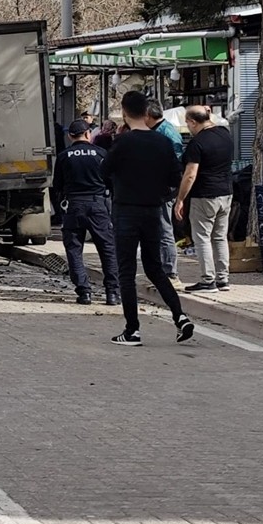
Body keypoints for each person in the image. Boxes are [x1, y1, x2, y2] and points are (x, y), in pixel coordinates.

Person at [102, 90, 194, 346]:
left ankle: (132, 330)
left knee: (127, 271)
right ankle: (180, 316)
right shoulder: (163, 142)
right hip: (154, 210)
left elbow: (103, 172)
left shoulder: (123, 142)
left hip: (126, 211)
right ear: (146, 111)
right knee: (155, 268)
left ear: (124, 111)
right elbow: (175, 178)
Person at [53, 119, 120, 305]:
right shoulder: (101, 154)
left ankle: (84, 292)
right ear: (88, 134)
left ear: (69, 136)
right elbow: (111, 182)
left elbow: (56, 185)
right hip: (98, 205)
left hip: (73, 205)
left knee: (74, 249)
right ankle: (112, 293)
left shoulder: (64, 156)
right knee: (107, 249)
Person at [175, 106, 234, 293]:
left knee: (202, 238)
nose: (188, 127)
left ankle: (208, 279)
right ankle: (223, 279)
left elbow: (190, 174)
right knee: (219, 236)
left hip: (204, 195)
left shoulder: (197, 143)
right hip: (226, 192)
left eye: (187, 123)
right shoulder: (224, 134)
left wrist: (180, 199)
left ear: (193, 122)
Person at [145, 100, 185, 288]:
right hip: (154, 187)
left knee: (164, 230)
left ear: (148, 116)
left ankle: (171, 274)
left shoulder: (167, 133)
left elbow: (175, 164)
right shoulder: (157, 132)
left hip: (165, 189)